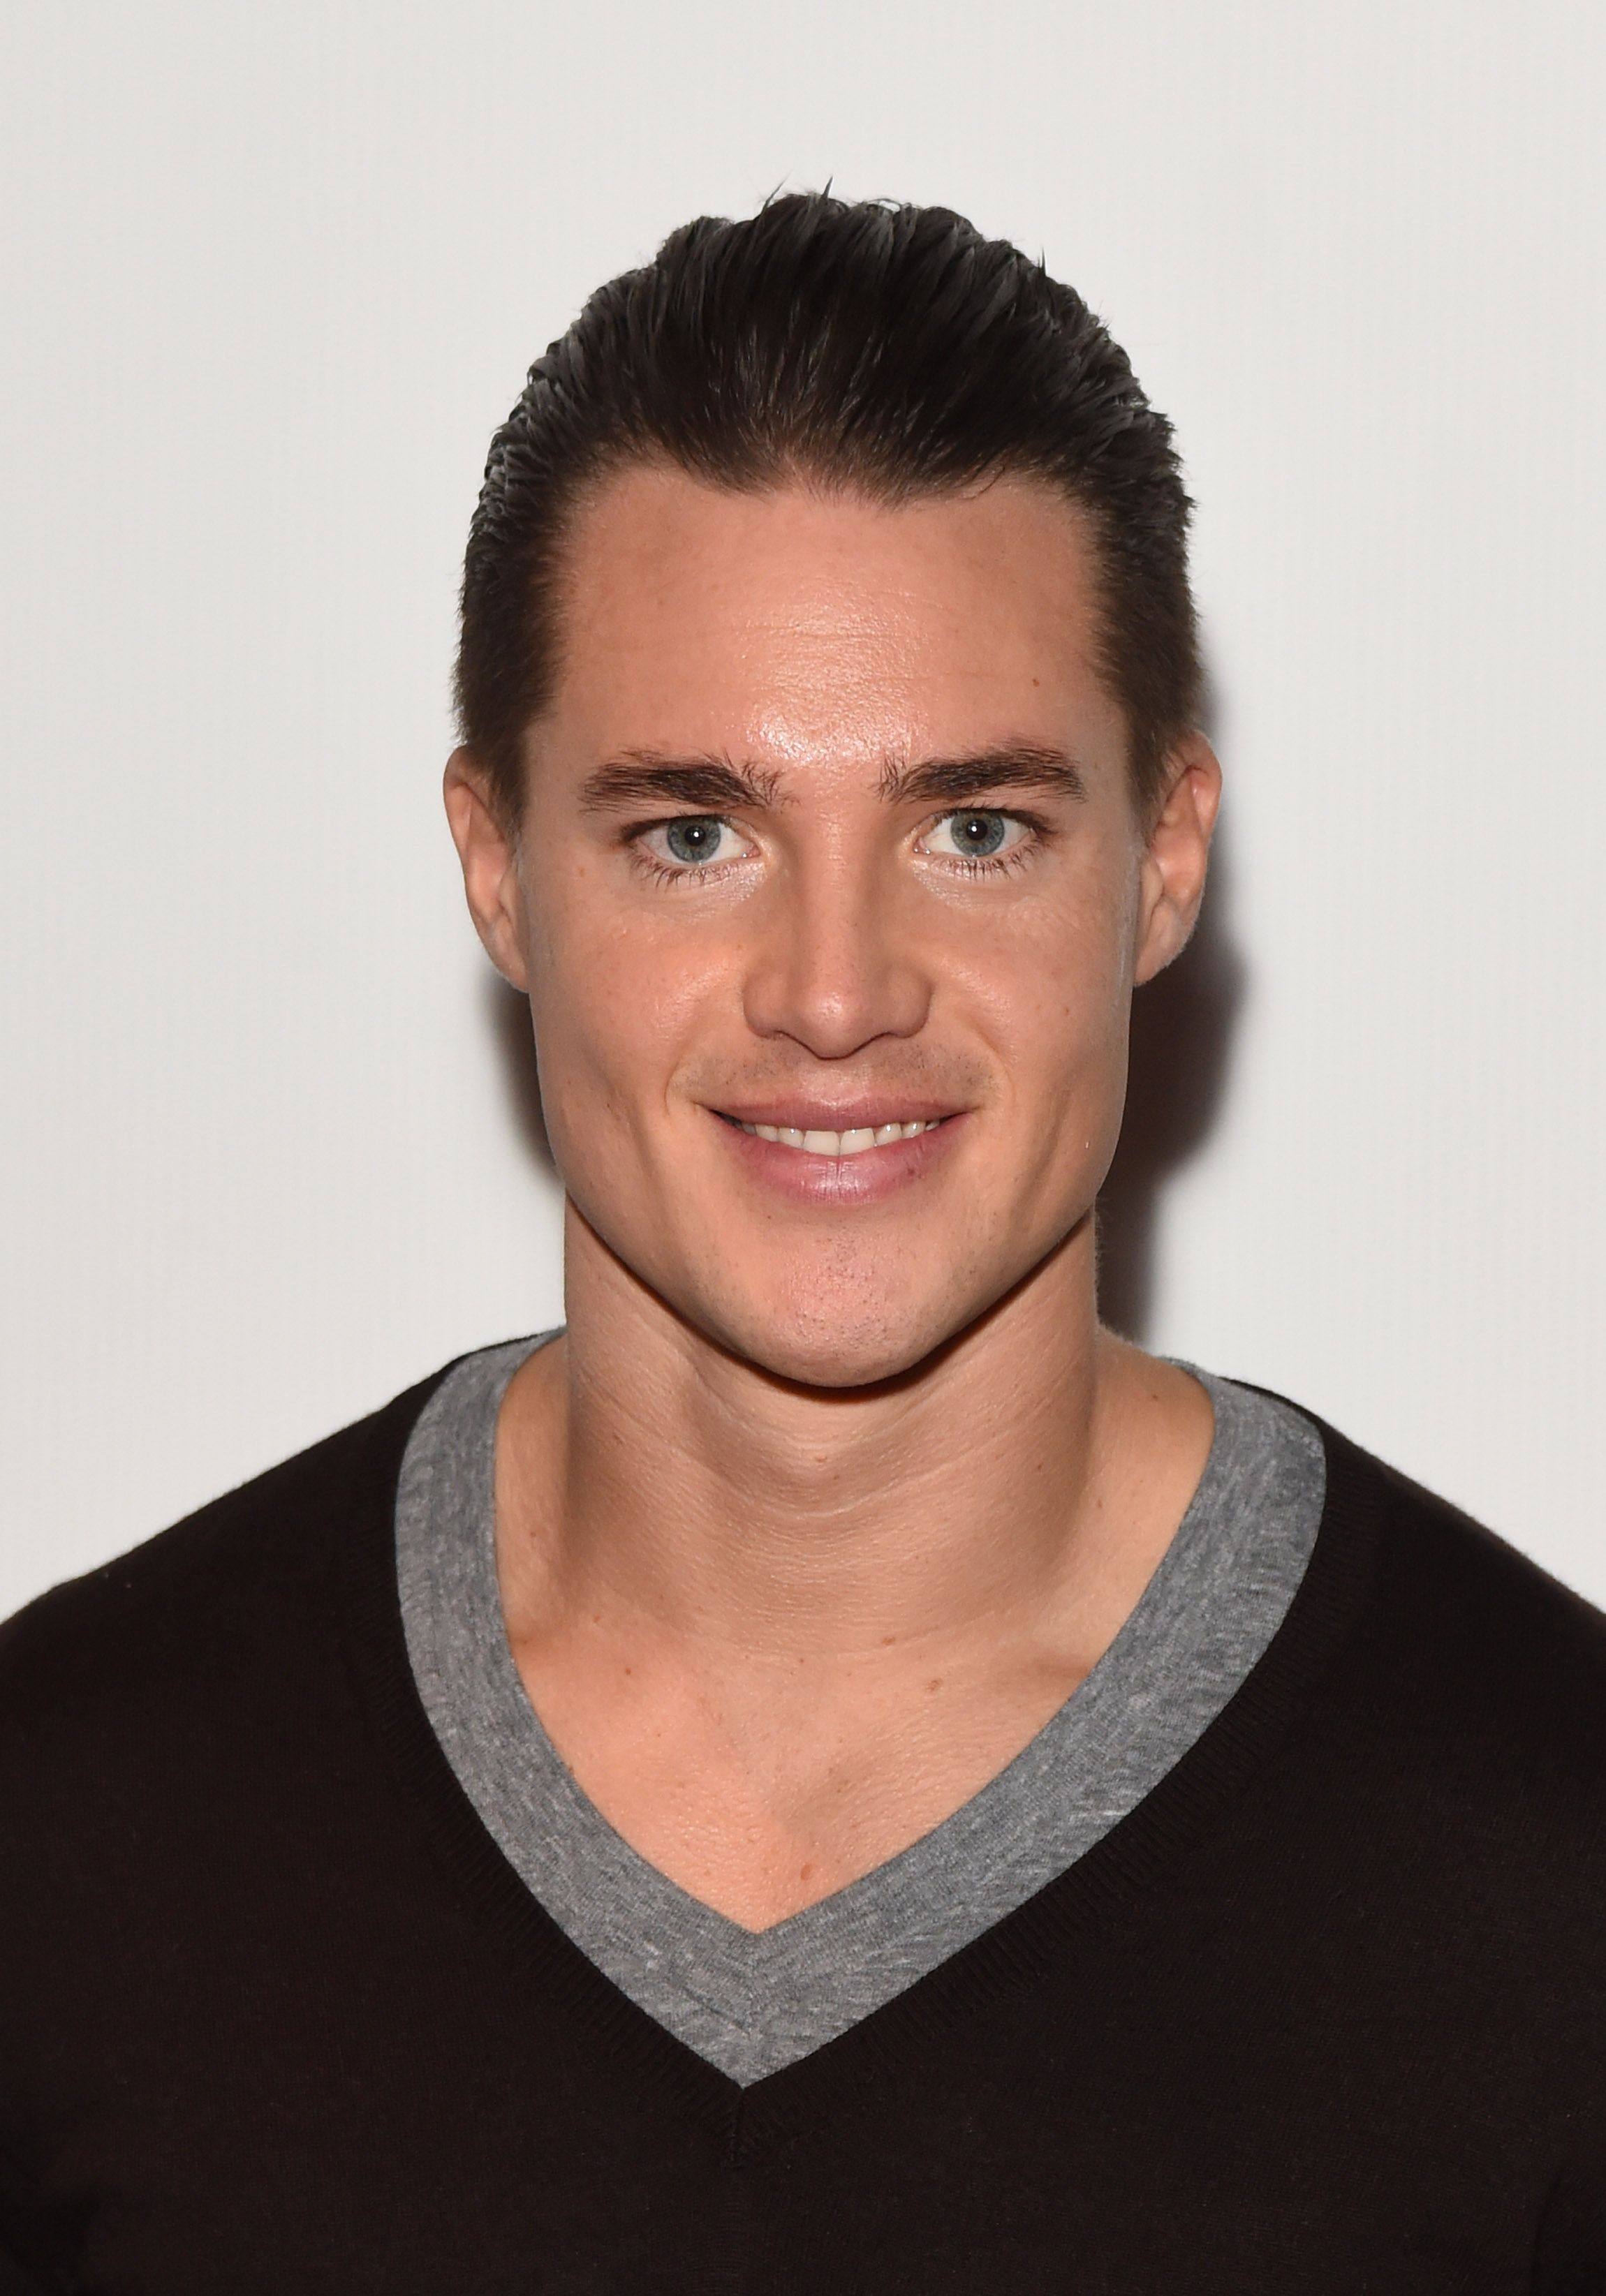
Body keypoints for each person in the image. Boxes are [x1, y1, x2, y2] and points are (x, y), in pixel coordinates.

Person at [1, 193, 1601, 2294]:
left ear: (1161, 860)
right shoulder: (70, 1828)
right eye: (694, 835)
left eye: (974, 829)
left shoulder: (1556, 1869)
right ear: (497, 868)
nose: (836, 994)